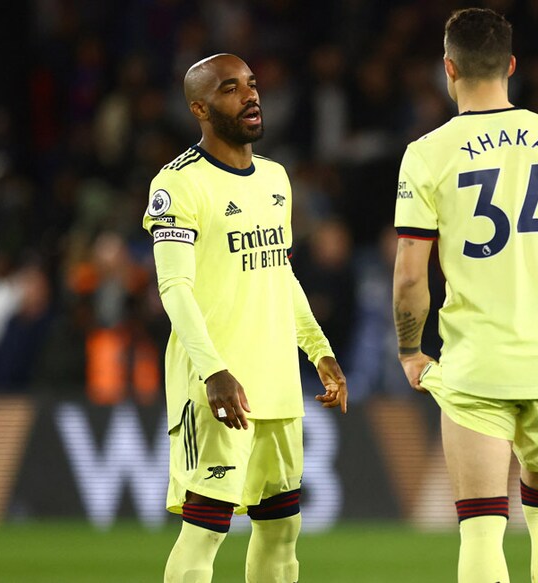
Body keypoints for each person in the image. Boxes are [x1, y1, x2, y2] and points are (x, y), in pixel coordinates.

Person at [391, 8, 538, 582]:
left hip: (478, 369)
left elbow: (409, 279)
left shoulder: (428, 153)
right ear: (511, 66)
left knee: (481, 526)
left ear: (448, 68)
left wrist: (409, 349)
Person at [143, 53, 348, 583]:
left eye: (252, 85)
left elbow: (280, 274)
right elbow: (174, 289)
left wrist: (319, 350)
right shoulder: (177, 185)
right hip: (217, 388)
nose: (250, 96)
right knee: (206, 529)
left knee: (281, 531)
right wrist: (213, 370)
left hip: (277, 385)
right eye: (231, 89)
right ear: (201, 108)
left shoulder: (276, 179)